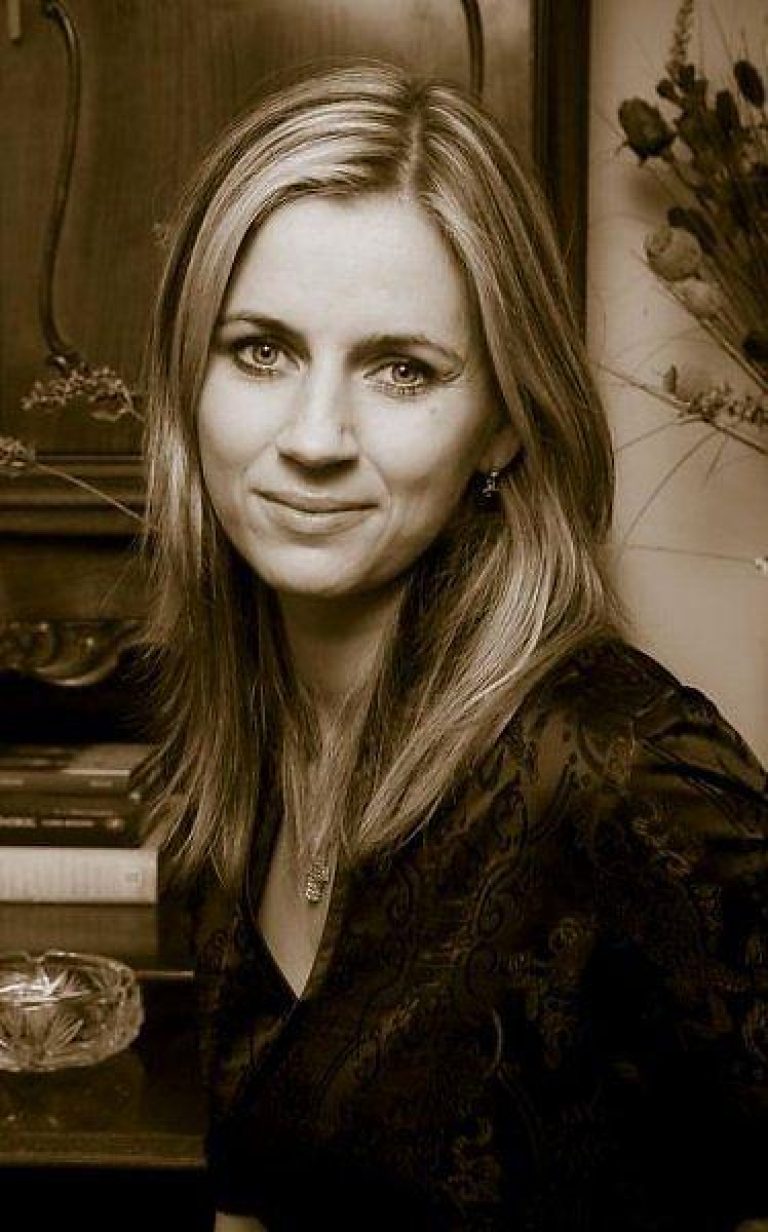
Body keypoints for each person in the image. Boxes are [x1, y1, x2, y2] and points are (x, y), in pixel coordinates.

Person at [141, 60, 768, 1231]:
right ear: (189, 379)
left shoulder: (626, 772)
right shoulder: (242, 752)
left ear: (504, 426)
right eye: (262, 350)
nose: (314, 436)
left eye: (402, 370)